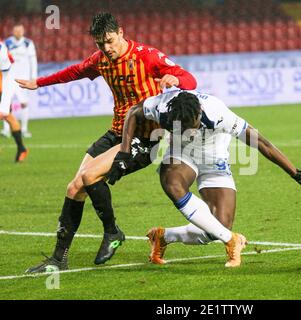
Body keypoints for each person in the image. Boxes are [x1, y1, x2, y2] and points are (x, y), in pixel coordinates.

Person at [18, 12, 197, 274]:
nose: (107, 48)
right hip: (116, 131)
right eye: (100, 44)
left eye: (110, 41)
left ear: (121, 32)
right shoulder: (101, 60)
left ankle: (112, 231)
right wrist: (39, 83)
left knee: (90, 176)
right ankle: (58, 259)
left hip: (145, 137)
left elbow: (190, 79)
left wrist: (176, 80)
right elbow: (75, 71)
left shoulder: (146, 56)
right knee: (74, 187)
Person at [107, 90, 301, 267]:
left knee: (217, 226)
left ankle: (163, 237)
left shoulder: (218, 114)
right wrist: (124, 154)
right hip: (182, 155)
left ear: (199, 114)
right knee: (172, 182)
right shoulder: (163, 106)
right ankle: (231, 240)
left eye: (190, 127)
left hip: (215, 160)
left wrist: (295, 173)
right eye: (180, 128)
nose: (188, 132)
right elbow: (134, 112)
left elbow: (262, 143)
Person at [1, 24, 37, 138]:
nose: (18, 32)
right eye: (16, 30)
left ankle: (24, 129)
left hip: (23, 78)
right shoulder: (7, 43)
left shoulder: (28, 43)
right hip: (9, 78)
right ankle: (6, 130)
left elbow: (33, 60)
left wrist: (33, 76)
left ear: (23, 31)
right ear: (13, 31)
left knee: (24, 103)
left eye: (20, 30)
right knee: (7, 104)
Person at [0, 40, 29, 162]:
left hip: (4, 86)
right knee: (9, 117)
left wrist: (4, 103)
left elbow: (7, 74)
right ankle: (22, 148)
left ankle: (22, 148)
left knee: (7, 115)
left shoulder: (1, 49)